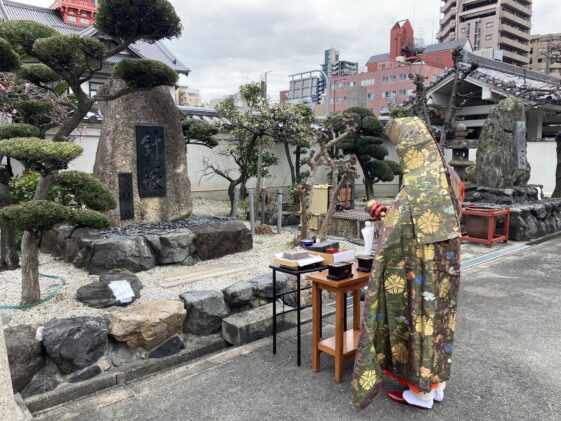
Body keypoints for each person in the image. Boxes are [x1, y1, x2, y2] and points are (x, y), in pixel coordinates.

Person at [351, 117, 464, 411]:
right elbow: (438, 216)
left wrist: (378, 211)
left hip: (419, 269)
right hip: (445, 265)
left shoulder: (417, 183)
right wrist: (394, 211)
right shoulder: (449, 175)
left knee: (418, 320)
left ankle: (420, 393)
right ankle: (435, 384)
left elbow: (397, 227)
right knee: (439, 321)